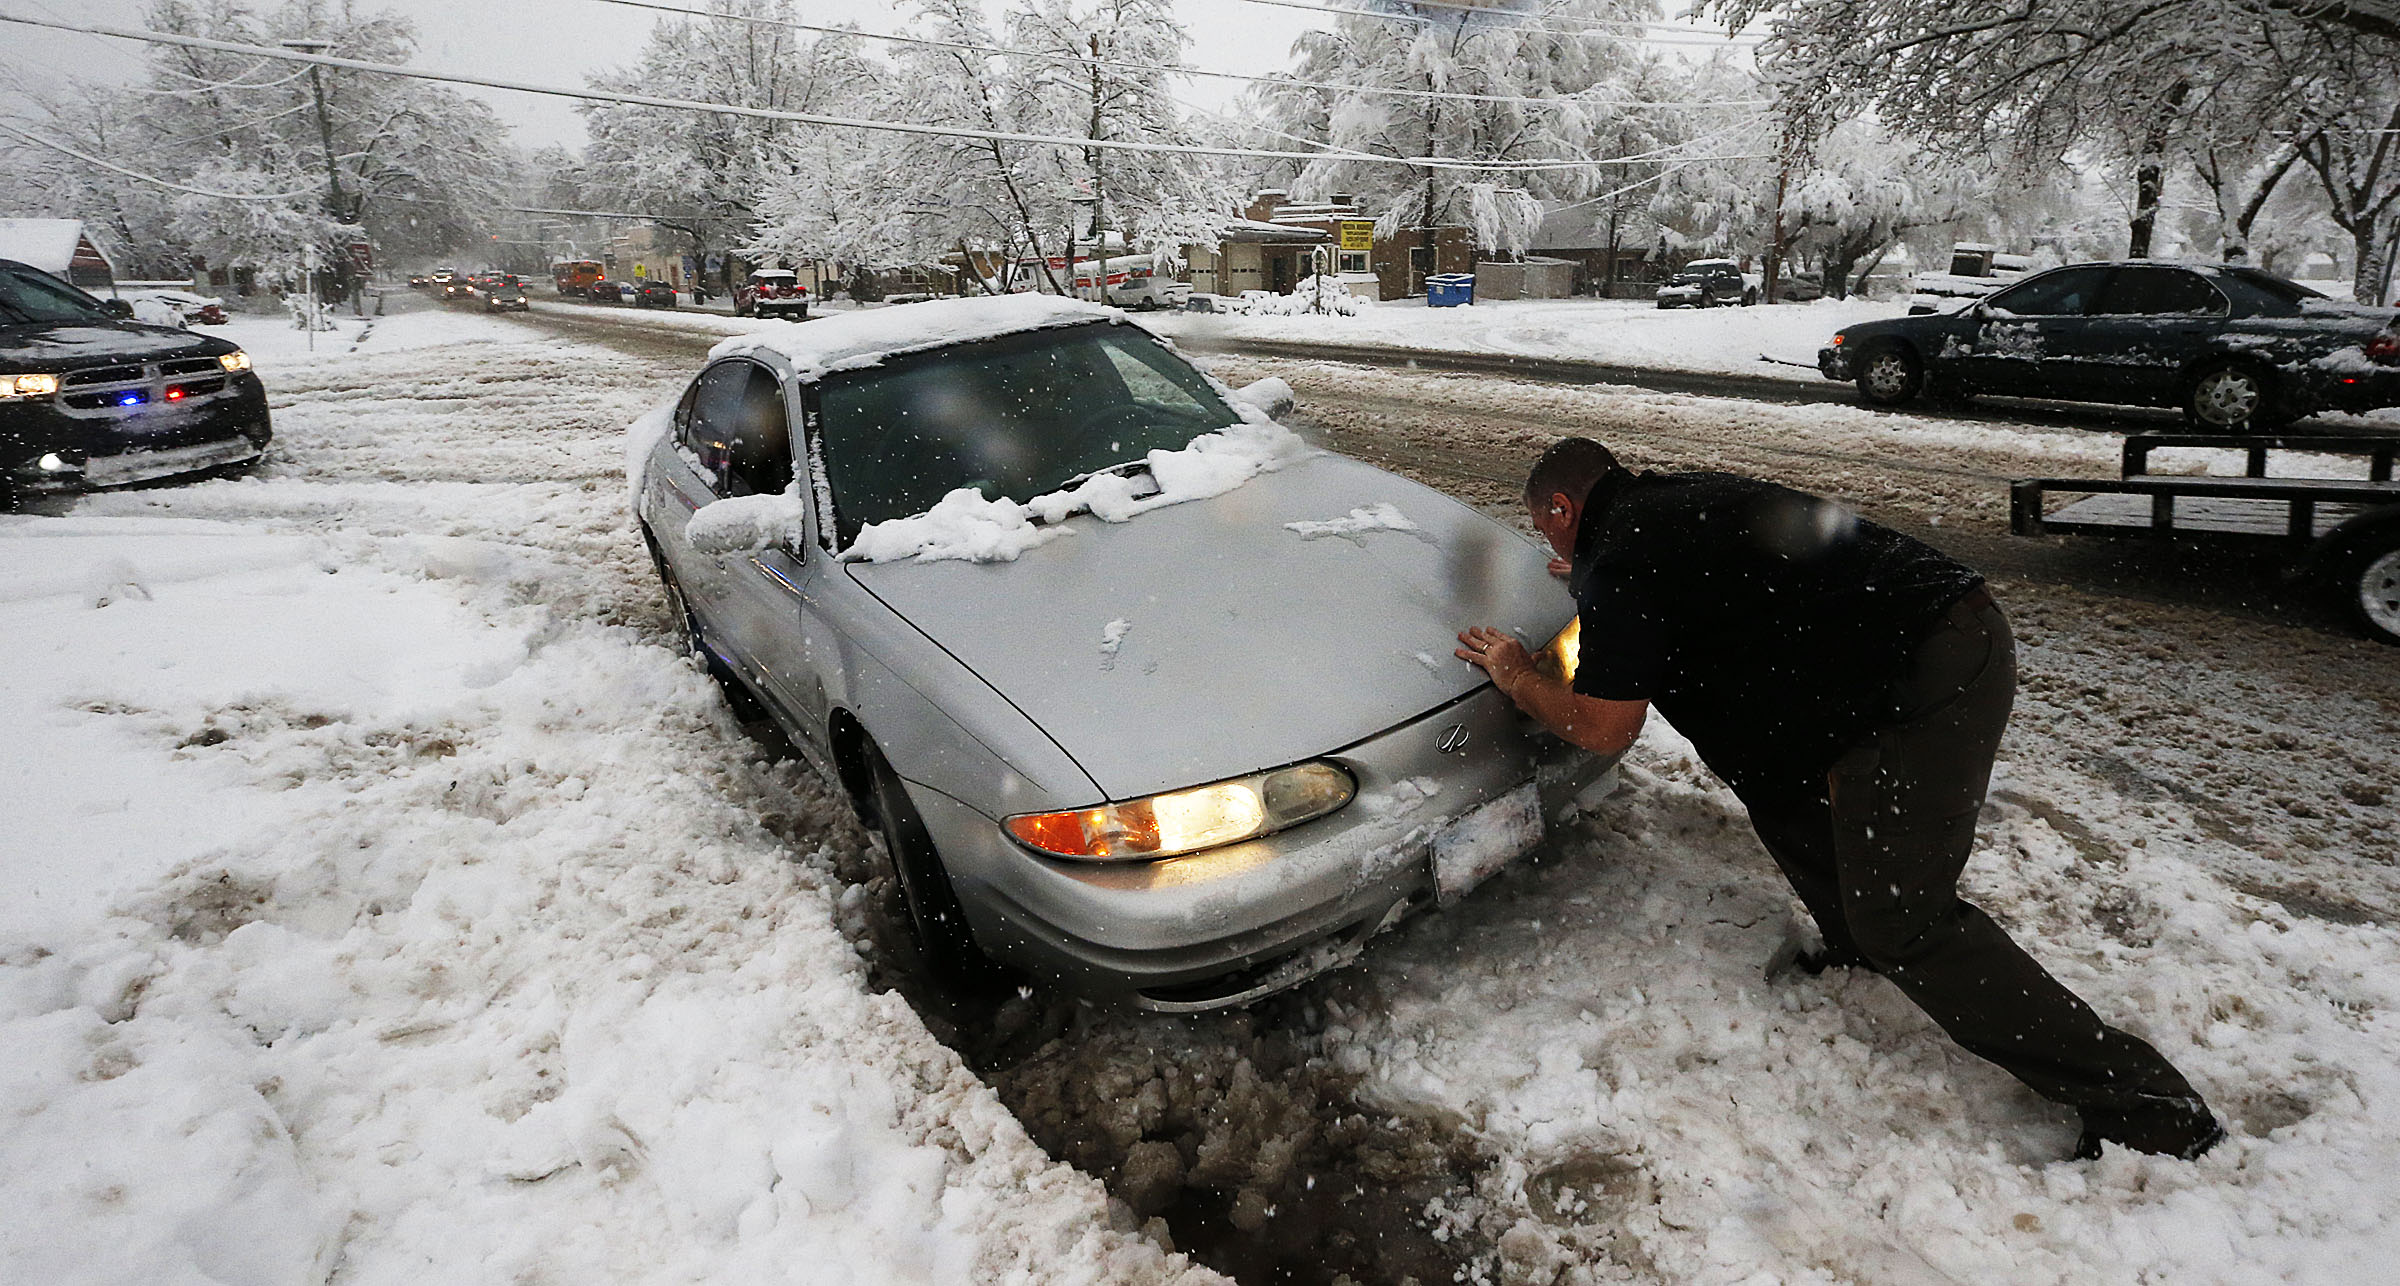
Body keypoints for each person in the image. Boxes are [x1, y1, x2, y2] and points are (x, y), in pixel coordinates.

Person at [1455, 437, 2222, 1161]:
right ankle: (1856, 948)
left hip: (1926, 675)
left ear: (1560, 509)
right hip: (1935, 630)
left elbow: (1604, 727)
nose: (1552, 546)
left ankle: (2148, 1108)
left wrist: (1518, 674)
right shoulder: (1658, 517)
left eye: (1546, 529)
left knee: (1907, 919)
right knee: (1779, 789)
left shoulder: (1626, 560)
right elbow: (1676, 570)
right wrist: (1594, 577)